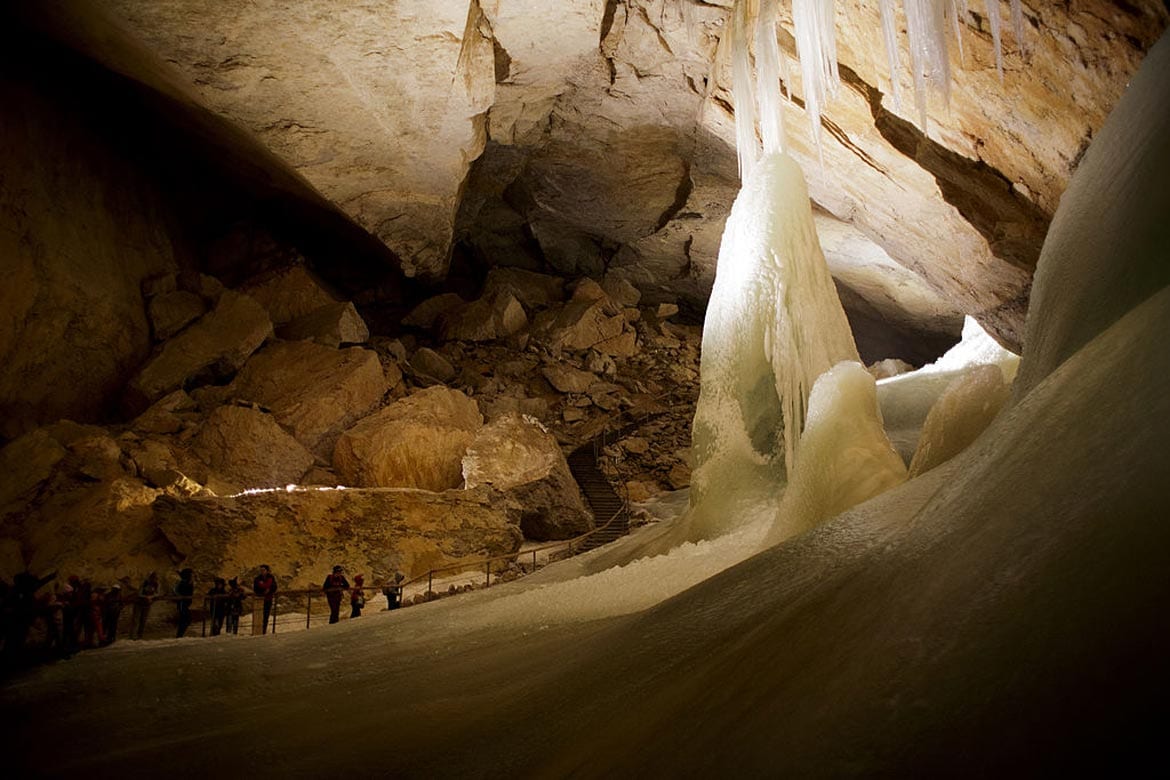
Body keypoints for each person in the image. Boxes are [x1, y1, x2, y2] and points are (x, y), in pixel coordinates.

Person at [132, 572, 160, 640]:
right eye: (154, 578)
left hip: (147, 604)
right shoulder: (144, 583)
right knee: (136, 620)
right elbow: (139, 594)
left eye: (156, 579)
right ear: (151, 578)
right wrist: (146, 597)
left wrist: (151, 596)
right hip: (139, 603)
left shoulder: (156, 584)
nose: (155, 580)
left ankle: (140, 636)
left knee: (143, 621)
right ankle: (133, 636)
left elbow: (158, 593)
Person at [252, 565, 277, 634]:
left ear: (267, 571)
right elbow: (255, 588)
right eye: (261, 570)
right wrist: (264, 591)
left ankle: (264, 631)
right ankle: (258, 631)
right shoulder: (257, 579)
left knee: (266, 616)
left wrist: (269, 590)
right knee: (259, 615)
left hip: (268, 599)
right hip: (260, 600)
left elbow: (274, 587)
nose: (262, 571)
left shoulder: (271, 578)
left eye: (263, 570)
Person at [173, 568, 194, 638]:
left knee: (185, 619)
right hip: (182, 603)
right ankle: (179, 635)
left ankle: (180, 634)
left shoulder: (188, 582)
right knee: (185, 619)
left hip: (186, 603)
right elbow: (176, 590)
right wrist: (181, 596)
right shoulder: (182, 582)